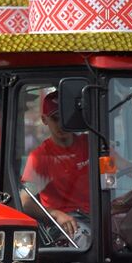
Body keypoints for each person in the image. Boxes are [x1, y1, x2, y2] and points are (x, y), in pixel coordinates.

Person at [21, 91, 90, 244]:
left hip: (99, 216)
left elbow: (123, 166)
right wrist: (56, 214)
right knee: (87, 241)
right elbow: (26, 202)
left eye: (65, 118)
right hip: (64, 223)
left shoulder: (90, 145)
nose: (61, 124)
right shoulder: (41, 158)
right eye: (55, 119)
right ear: (44, 120)